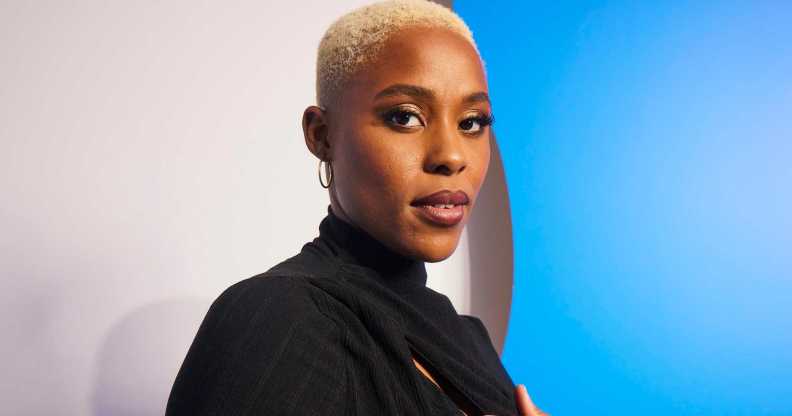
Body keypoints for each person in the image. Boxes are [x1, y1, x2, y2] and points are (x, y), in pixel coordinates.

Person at [165, 1, 547, 415]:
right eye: (405, 117)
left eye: (472, 122)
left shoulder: (470, 342)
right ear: (322, 135)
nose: (452, 156)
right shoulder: (277, 317)